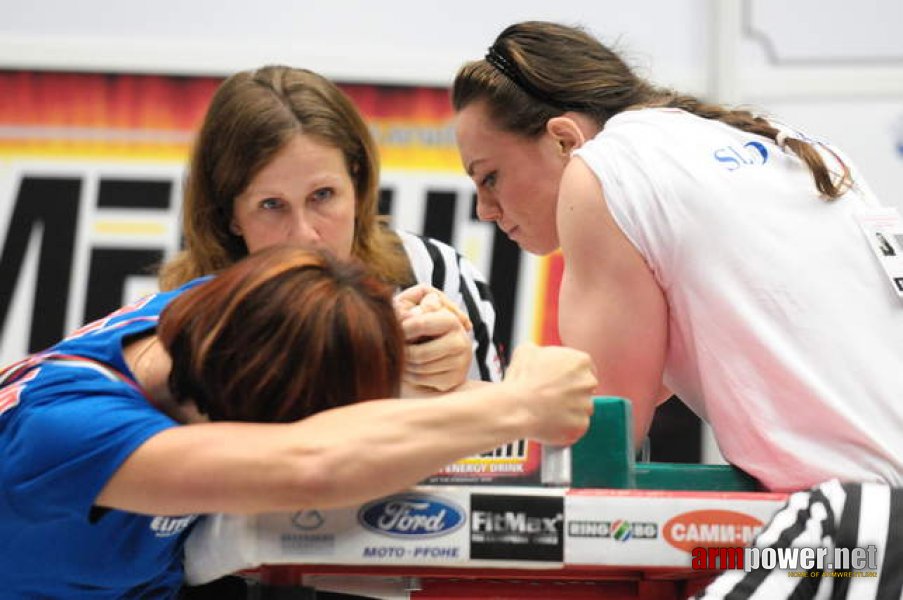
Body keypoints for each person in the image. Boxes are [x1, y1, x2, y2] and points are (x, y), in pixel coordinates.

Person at [452, 21, 903, 598]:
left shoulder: (604, 171)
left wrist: (423, 419)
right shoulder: (783, 143)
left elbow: (596, 430)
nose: (487, 209)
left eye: (490, 177)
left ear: (564, 140)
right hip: (863, 530)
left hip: (858, 535)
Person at [0, 245, 597, 598]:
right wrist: (517, 406)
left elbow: (317, 333)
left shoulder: (219, 312)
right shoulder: (69, 428)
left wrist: (412, 337)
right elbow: (314, 464)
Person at [158, 65, 502, 395]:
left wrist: (454, 385)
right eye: (271, 205)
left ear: (356, 181)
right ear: (229, 214)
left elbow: (496, 446)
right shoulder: (183, 318)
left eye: (322, 195)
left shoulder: (434, 274)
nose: (305, 234)